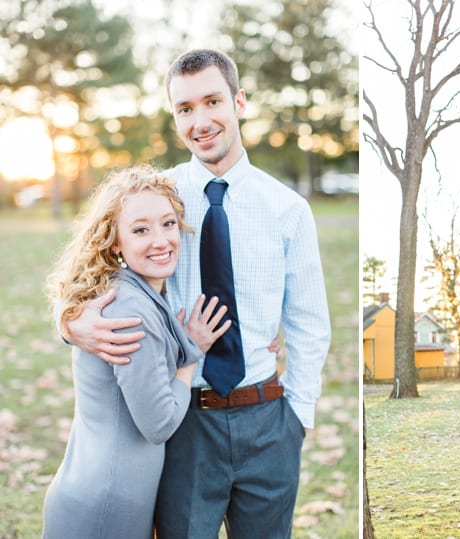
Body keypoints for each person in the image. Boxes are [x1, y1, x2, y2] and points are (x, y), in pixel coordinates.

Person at [64, 49, 331, 538]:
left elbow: (310, 321)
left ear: (239, 102)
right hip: (184, 420)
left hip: (269, 419)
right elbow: (87, 272)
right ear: (175, 117)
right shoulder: (155, 199)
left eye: (213, 102)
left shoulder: (287, 208)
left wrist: (297, 417)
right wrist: (70, 323)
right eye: (185, 109)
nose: (201, 120)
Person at [42, 166, 226, 538]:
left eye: (168, 224)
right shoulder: (129, 311)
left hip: (97, 492)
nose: (160, 241)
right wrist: (192, 353)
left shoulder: (129, 291)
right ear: (115, 242)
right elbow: (157, 424)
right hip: (107, 506)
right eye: (140, 230)